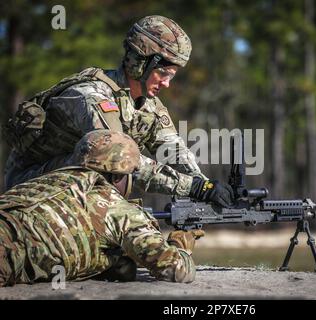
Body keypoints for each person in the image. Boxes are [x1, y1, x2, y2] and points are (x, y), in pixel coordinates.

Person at [3, 15, 234, 208]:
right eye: (163, 74)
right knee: (110, 164)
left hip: (69, 184)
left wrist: (206, 186)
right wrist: (193, 188)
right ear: (142, 63)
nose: (166, 84)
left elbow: (173, 150)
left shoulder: (148, 104)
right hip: (29, 185)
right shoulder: (92, 97)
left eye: (171, 77)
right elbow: (119, 159)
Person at [0, 130, 204, 287]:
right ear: (117, 176)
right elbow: (176, 271)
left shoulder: (45, 180)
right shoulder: (116, 207)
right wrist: (180, 247)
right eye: (131, 174)